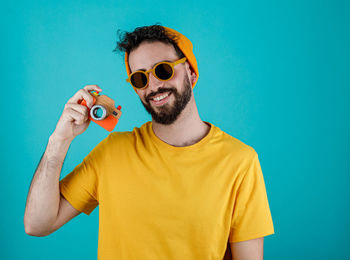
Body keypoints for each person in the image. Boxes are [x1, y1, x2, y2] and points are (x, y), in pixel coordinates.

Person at [24, 24, 275, 260]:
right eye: (140, 79)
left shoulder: (240, 161)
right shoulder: (113, 153)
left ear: (190, 71)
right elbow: (37, 224)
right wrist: (59, 140)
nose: (153, 85)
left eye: (163, 69)